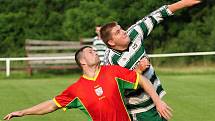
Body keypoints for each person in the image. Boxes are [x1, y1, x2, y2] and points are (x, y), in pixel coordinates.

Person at [3, 46, 172, 121]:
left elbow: (141, 79)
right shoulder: (76, 90)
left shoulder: (112, 71)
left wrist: (158, 101)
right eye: (91, 52)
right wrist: (23, 112)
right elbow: (51, 105)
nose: (95, 52)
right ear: (83, 62)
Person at [100, 0, 201, 121]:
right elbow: (119, 90)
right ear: (111, 42)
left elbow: (158, 14)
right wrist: (138, 70)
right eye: (118, 32)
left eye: (121, 28)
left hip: (154, 98)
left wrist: (185, 3)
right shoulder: (110, 62)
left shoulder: (134, 33)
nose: (123, 32)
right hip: (139, 109)